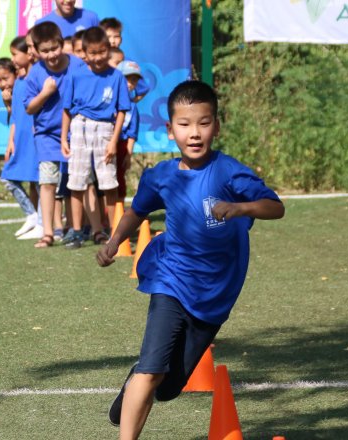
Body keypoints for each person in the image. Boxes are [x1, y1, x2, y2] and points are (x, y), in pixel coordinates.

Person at [96, 80, 285, 440]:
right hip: (170, 280)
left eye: (203, 122)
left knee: (168, 386)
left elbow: (275, 207)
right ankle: (138, 390)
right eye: (184, 124)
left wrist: (242, 207)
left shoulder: (228, 172)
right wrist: (114, 241)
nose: (194, 133)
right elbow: (137, 211)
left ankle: (137, 379)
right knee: (152, 370)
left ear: (216, 126)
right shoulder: (161, 176)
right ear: (171, 130)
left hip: (215, 295)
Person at [61, 26, 130, 249]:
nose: (98, 57)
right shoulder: (76, 74)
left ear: (108, 49)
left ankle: (115, 232)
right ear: (84, 52)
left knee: (109, 182)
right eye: (92, 53)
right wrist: (64, 138)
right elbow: (66, 109)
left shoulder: (116, 76)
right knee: (77, 181)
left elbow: (121, 110)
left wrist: (114, 141)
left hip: (105, 130)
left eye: (102, 52)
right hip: (79, 127)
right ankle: (77, 232)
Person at [24, 21, 87, 248]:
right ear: (36, 51)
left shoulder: (78, 66)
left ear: (62, 44)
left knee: (76, 182)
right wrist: (45, 93)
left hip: (76, 134)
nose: (51, 54)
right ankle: (48, 232)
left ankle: (77, 228)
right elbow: (29, 108)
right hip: (47, 136)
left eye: (55, 48)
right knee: (47, 182)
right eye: (45, 51)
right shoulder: (35, 73)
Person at [0, 57, 41, 239]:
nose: (2, 84)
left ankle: (44, 222)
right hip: (19, 140)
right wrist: (10, 142)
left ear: (15, 73)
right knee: (8, 177)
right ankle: (32, 214)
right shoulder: (12, 92)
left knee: (39, 181)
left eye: (6, 78)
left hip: (33, 139)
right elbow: (14, 118)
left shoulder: (25, 84)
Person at [116, 60, 142, 204]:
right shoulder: (108, 101)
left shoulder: (132, 107)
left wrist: (128, 154)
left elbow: (132, 132)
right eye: (126, 79)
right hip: (103, 142)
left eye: (134, 80)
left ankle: (117, 210)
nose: (130, 84)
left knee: (119, 177)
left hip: (122, 145)